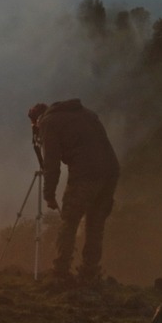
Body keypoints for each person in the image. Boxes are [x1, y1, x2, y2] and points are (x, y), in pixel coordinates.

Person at [28, 99, 120, 285]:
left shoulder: (49, 123)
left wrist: (49, 195)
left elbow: (52, 164)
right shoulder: (86, 113)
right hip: (111, 171)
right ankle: (89, 272)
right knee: (95, 223)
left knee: (69, 221)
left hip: (85, 174)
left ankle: (60, 271)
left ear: (36, 121)